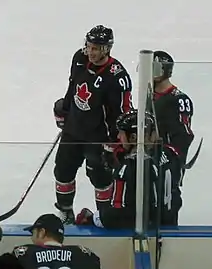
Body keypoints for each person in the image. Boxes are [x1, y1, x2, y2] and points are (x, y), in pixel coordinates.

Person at [53, 24, 133, 224]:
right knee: (62, 171)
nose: (90, 51)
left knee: (101, 179)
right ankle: (65, 212)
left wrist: (118, 140)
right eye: (89, 46)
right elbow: (72, 87)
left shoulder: (117, 76)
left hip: (99, 137)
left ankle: (104, 217)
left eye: (96, 48)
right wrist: (64, 110)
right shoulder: (79, 59)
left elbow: (123, 112)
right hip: (73, 131)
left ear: (107, 49)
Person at [75, 109, 182, 228]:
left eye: (121, 133)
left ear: (134, 137)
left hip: (144, 234)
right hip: (170, 228)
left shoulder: (131, 166)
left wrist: (94, 218)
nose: (118, 136)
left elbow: (118, 214)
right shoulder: (171, 153)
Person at [0, 214, 101, 269]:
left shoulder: (21, 254)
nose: (32, 238)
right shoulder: (83, 255)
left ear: (42, 232)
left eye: (33, 233)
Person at [152, 50, 194, 185]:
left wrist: (168, 156)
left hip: (168, 164)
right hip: (149, 160)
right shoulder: (148, 96)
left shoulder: (179, 99)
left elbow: (184, 136)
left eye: (153, 68)